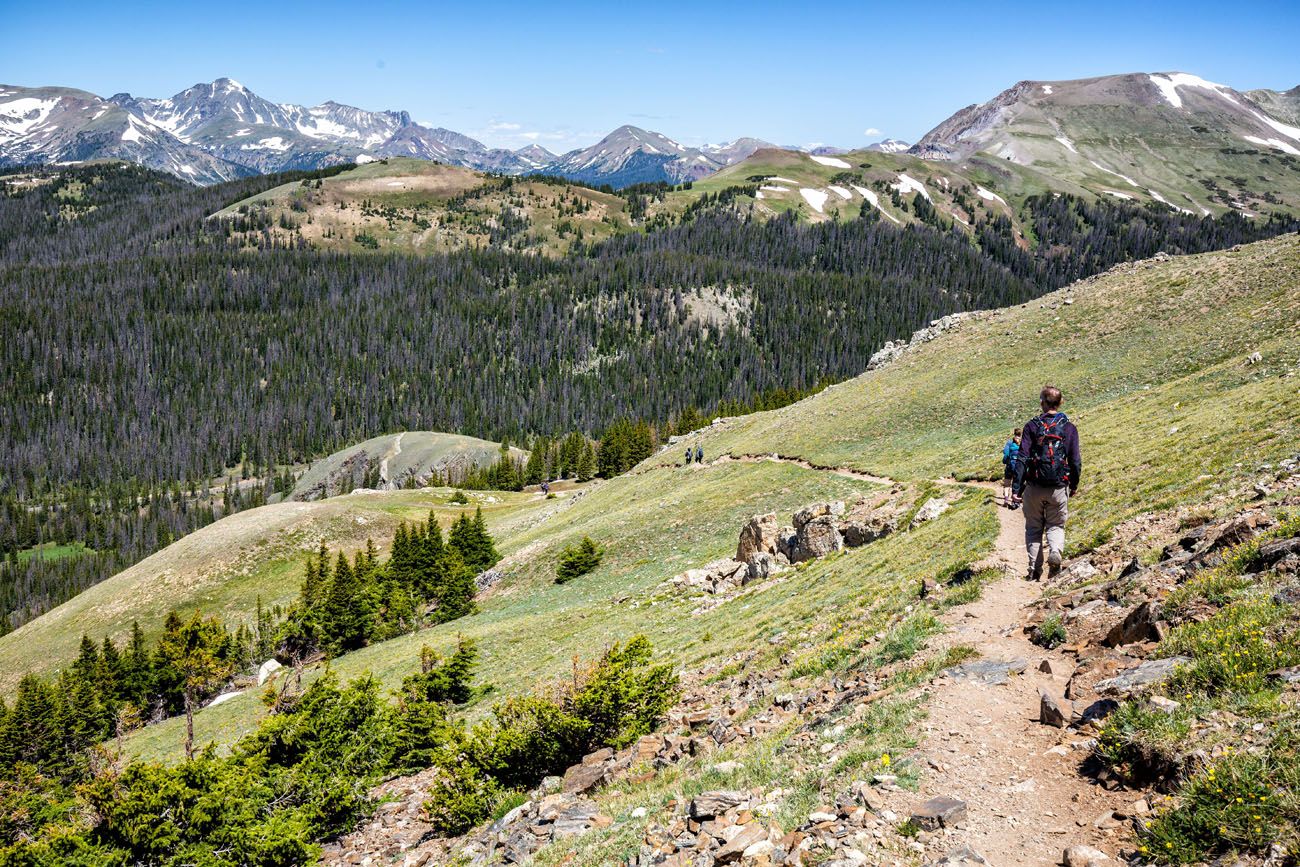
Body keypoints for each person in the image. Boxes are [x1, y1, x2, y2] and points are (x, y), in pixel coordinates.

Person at [1012, 385, 1081, 581]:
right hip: (1059, 486)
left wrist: (1017, 488)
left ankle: (1034, 570)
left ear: (1043, 402)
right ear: (1060, 403)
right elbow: (1075, 460)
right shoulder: (1069, 428)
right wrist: (1074, 485)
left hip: (1033, 487)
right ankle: (1056, 551)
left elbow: (1022, 458)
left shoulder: (1032, 426)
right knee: (1056, 525)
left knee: (1033, 528)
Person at [1001, 428, 1022, 508]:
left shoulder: (1009, 443)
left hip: (1010, 465)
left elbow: (1006, 454)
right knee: (1017, 483)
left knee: (1007, 484)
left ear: (1014, 433)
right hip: (1019, 466)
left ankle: (1006, 499)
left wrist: (1005, 461)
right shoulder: (1023, 443)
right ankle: (1015, 500)